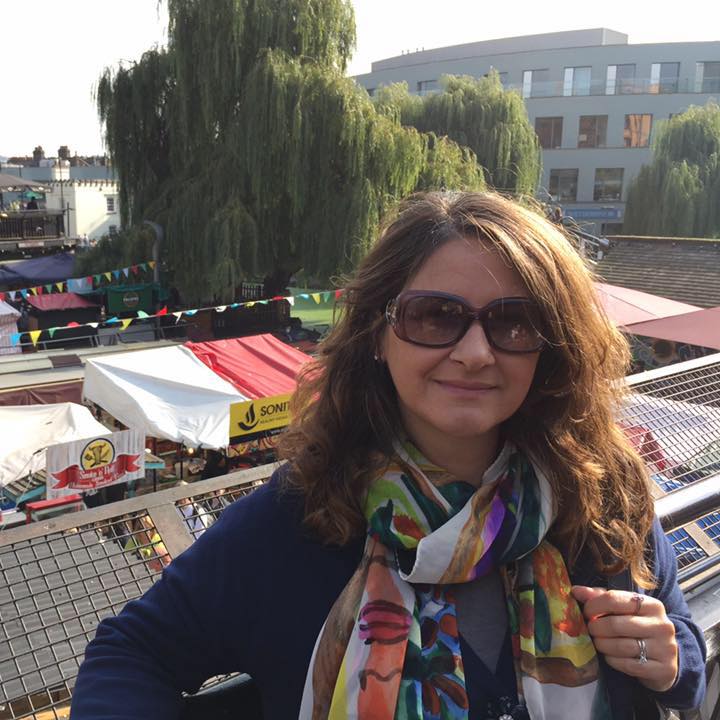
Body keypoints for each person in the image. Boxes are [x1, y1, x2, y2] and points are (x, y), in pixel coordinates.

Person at [70, 192, 706, 719]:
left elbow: (686, 659)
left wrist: (668, 661)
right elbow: (131, 653)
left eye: (514, 322)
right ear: (378, 332)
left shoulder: (601, 493)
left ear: (551, 347)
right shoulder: (298, 517)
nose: (475, 353)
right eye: (435, 316)